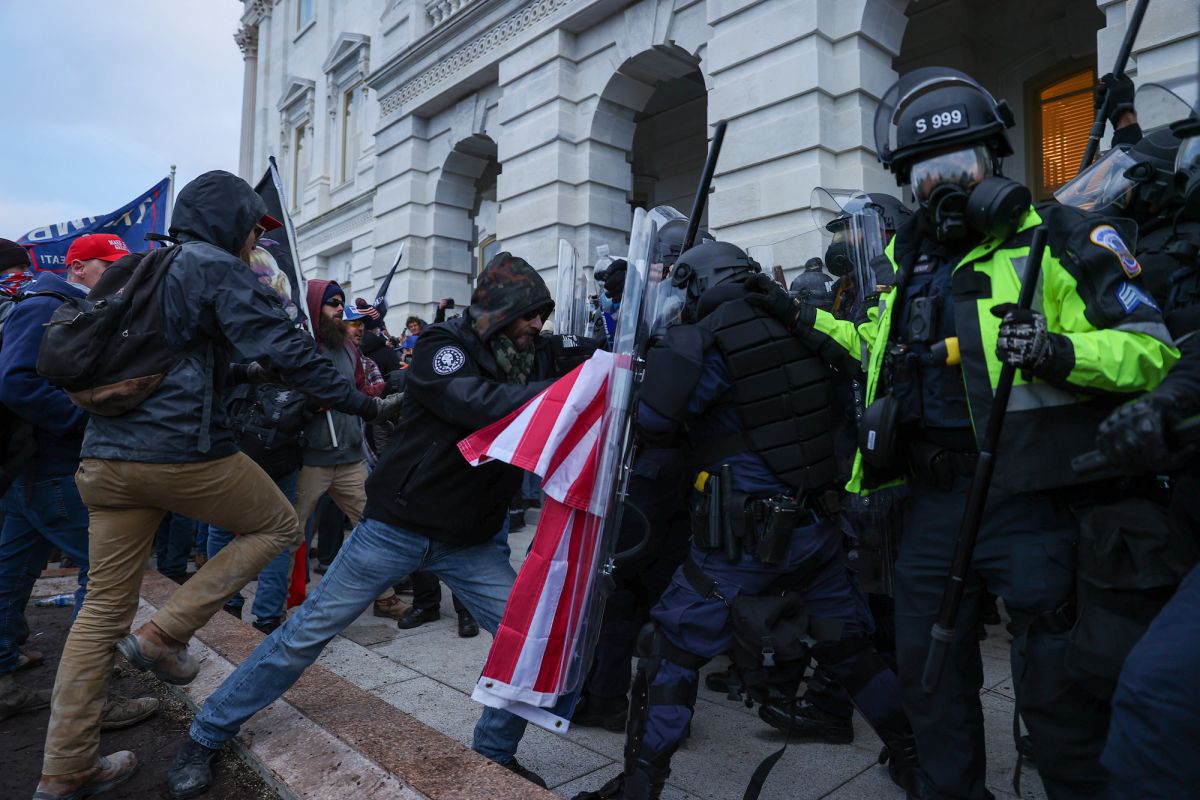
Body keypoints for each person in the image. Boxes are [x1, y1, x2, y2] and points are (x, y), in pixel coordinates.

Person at [747, 67, 1178, 799]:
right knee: (930, 679)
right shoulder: (906, 265)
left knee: (1059, 696)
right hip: (930, 502)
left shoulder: (1067, 238)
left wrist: (1059, 351)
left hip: (1033, 499)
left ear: (994, 164)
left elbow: (1154, 351)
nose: (945, 187)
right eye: (925, 175)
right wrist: (796, 316)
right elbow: (875, 349)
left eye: (962, 167)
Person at [166, 252, 593, 796]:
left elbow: (598, 360)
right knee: (305, 633)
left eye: (544, 314)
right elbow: (475, 403)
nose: (539, 325)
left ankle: (494, 753)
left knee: (530, 644)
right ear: (499, 310)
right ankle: (206, 733)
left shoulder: (534, 356)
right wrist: (570, 390)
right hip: (395, 528)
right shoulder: (444, 348)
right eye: (530, 313)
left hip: (469, 542)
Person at [32, 170, 400, 800]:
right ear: (229, 220)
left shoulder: (141, 269)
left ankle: (65, 769)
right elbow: (291, 349)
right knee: (280, 525)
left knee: (99, 617)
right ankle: (164, 634)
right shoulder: (212, 266)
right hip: (180, 454)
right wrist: (365, 406)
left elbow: (196, 355)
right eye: (253, 228)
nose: (256, 243)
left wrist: (246, 372)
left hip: (104, 461)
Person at [576, 240, 919, 800]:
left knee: (670, 648)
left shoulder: (706, 341)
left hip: (744, 538)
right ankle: (914, 757)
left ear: (699, 283)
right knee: (849, 647)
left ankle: (639, 786)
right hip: (819, 526)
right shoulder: (806, 325)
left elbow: (656, 422)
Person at [0, 233, 158, 730]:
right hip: (50, 467)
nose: (115, 278)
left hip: (31, 467)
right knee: (106, 578)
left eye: (120, 268)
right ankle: (93, 699)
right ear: (76, 269)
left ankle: (3, 673)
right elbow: (16, 383)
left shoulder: (66, 305)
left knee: (12, 571)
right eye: (104, 266)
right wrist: (87, 420)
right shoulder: (48, 304)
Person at [291, 279, 406, 620]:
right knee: (290, 533)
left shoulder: (349, 349)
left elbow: (360, 393)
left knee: (372, 527)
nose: (340, 309)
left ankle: (384, 597)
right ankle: (287, 601)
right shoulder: (303, 347)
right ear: (315, 308)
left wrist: (384, 394)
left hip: (351, 457)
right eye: (332, 303)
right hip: (313, 459)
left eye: (341, 302)